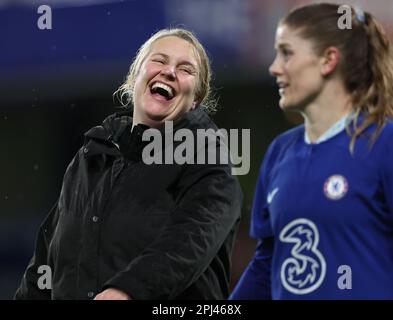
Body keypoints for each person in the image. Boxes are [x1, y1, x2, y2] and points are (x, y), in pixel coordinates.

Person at [15, 28, 242, 300]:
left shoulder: (209, 160)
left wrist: (127, 290)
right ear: (134, 78)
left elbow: (192, 239)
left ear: (196, 100)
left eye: (185, 69)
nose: (169, 72)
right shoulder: (90, 158)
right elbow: (45, 261)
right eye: (159, 60)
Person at [230, 3, 393, 299]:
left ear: (328, 60)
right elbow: (267, 264)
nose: (274, 67)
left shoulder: (384, 144)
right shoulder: (279, 152)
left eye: (286, 53)